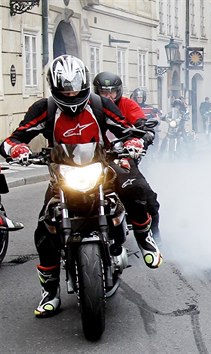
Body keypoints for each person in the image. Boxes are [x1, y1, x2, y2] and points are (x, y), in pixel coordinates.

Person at [0, 55, 162, 318]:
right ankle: (50, 292)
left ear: (85, 82)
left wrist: (133, 142)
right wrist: (17, 148)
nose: (71, 92)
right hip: (63, 176)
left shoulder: (99, 105)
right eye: (65, 88)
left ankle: (145, 238)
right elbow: (15, 138)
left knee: (134, 191)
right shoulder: (45, 109)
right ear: (54, 87)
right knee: (44, 230)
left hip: (101, 168)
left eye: (75, 86)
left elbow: (125, 129)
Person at [93, 72, 163, 246]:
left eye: (112, 92)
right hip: (92, 159)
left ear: (119, 91)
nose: (108, 96)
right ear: (96, 92)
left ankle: (154, 237)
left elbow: (140, 122)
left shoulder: (127, 104)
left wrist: (144, 135)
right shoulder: (89, 106)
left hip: (120, 156)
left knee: (146, 195)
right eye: (103, 92)